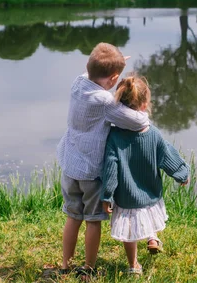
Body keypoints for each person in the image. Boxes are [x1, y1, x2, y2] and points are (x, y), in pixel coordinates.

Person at [56, 43, 150, 278]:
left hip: (69, 165)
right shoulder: (104, 101)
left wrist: (113, 62)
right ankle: (88, 268)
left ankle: (65, 265)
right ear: (115, 78)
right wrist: (145, 114)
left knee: (73, 217)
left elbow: (95, 68)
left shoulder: (78, 83)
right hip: (91, 171)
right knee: (93, 221)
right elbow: (136, 122)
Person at [101, 76, 190, 276]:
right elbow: (167, 156)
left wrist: (107, 196)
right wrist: (182, 174)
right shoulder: (153, 134)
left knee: (130, 231)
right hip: (150, 193)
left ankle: (133, 266)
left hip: (126, 197)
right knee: (148, 216)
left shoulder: (114, 136)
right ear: (145, 104)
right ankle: (152, 238)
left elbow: (110, 168)